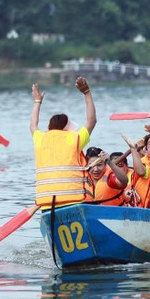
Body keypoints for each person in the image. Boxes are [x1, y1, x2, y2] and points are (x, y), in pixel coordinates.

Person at [30, 77, 97, 208]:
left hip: (46, 203)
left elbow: (33, 125)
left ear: (49, 127)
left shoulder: (40, 139)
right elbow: (92, 121)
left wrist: (37, 102)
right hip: (73, 201)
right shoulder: (74, 138)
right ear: (67, 128)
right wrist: (87, 93)